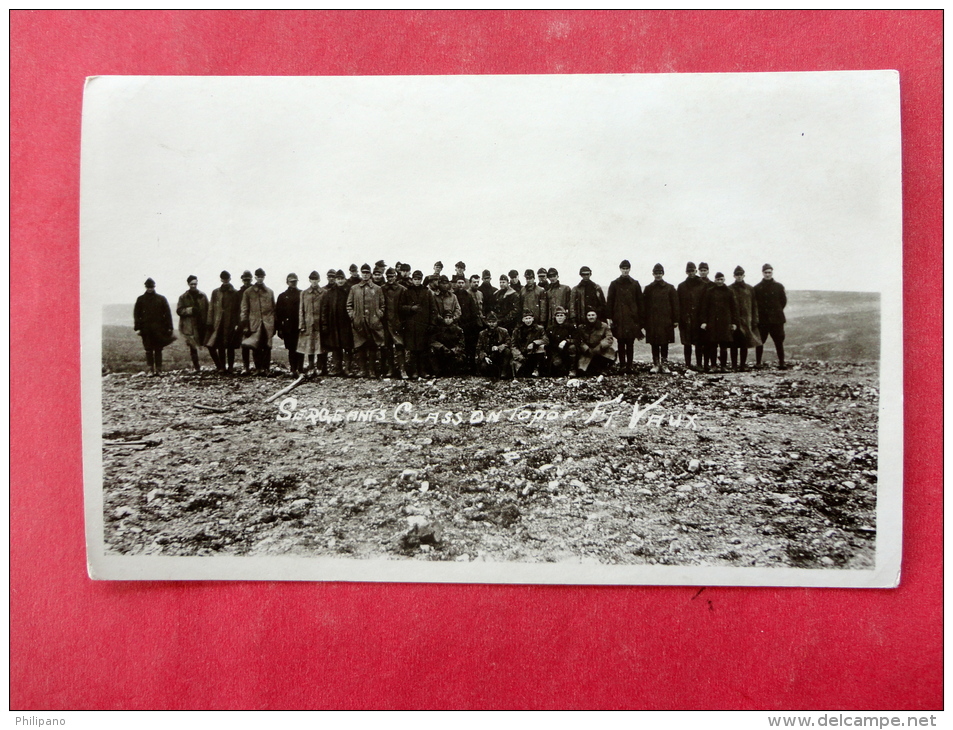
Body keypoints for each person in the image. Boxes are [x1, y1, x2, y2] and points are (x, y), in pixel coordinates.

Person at [347, 263, 385, 378]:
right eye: (363, 272)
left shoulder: (377, 289)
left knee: (372, 345)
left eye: (367, 273)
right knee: (360, 346)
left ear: (370, 274)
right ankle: (363, 370)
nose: (365, 275)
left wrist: (379, 314)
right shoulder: (354, 288)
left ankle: (372, 371)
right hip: (359, 322)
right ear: (361, 273)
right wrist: (352, 315)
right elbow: (349, 304)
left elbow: (383, 305)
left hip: (373, 322)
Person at [606, 259, 644, 374]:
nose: (625, 271)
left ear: (629, 269)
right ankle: (622, 365)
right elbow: (610, 301)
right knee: (621, 342)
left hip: (632, 318)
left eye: (627, 268)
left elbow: (640, 302)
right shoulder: (614, 284)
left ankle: (630, 365)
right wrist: (610, 317)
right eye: (623, 268)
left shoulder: (635, 284)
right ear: (620, 269)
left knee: (630, 342)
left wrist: (640, 318)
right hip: (619, 318)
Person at [642, 263, 679, 374]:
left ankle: (664, 365)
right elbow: (644, 306)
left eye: (660, 273)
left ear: (663, 274)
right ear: (653, 274)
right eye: (656, 273)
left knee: (664, 343)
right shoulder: (648, 288)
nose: (658, 275)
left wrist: (675, 319)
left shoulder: (670, 288)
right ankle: (655, 364)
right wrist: (644, 321)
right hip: (652, 320)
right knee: (654, 343)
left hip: (665, 320)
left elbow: (675, 305)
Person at [400, 270, 437, 380]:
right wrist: (411, 308)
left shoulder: (427, 292)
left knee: (423, 349)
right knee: (413, 350)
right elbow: (401, 307)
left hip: (423, 325)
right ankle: (414, 371)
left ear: (421, 280)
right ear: (412, 279)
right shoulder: (407, 292)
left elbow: (433, 309)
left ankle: (423, 371)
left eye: (419, 279)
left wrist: (432, 323)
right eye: (415, 279)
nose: (417, 281)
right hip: (411, 325)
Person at [700, 272, 739, 372]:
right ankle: (713, 366)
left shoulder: (729, 292)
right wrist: (704, 322)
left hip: (725, 322)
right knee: (712, 345)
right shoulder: (709, 292)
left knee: (724, 345)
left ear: (724, 280)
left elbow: (734, 308)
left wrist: (734, 323)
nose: (719, 282)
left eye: (721, 279)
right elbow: (704, 308)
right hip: (712, 322)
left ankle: (723, 366)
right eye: (717, 279)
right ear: (715, 280)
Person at [133, 278, 174, 376]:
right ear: (145, 287)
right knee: (148, 349)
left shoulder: (161, 299)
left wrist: (169, 327)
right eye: (148, 287)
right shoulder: (140, 299)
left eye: (151, 287)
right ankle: (150, 369)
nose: (150, 289)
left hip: (159, 329)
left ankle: (159, 370)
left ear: (154, 287)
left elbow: (168, 314)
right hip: (146, 329)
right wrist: (137, 328)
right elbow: (136, 314)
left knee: (158, 349)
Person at [240, 268, 276, 375]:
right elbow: (244, 310)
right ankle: (258, 368)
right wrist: (245, 325)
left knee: (267, 347)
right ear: (255, 277)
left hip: (267, 323)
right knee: (256, 347)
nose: (260, 279)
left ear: (264, 277)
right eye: (258, 277)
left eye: (262, 277)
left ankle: (267, 369)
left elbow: (273, 309)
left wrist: (273, 325)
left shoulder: (269, 292)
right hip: (254, 324)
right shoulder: (248, 292)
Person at [205, 270, 242, 374]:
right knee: (220, 346)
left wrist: (237, 323)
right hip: (219, 323)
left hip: (230, 322)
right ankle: (222, 367)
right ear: (221, 279)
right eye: (223, 279)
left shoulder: (235, 293)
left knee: (230, 346)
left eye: (227, 279)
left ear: (230, 279)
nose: (225, 280)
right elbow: (211, 307)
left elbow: (238, 309)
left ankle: (230, 367)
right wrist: (210, 322)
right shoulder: (216, 292)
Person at [754, 263, 788, 369]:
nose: (767, 274)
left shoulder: (779, 286)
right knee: (760, 342)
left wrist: (776, 312)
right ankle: (758, 363)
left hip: (776, 320)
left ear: (772, 273)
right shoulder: (757, 288)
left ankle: (782, 363)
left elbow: (783, 301)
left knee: (779, 341)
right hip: (763, 320)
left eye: (769, 272)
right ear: (762, 273)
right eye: (765, 272)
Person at [322, 270, 354, 376]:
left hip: (347, 323)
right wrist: (325, 324)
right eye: (338, 279)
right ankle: (337, 368)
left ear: (345, 279)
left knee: (348, 346)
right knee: (336, 346)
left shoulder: (350, 290)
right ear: (335, 280)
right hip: (334, 324)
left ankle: (348, 369)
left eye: (342, 279)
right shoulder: (330, 292)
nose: (340, 281)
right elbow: (324, 309)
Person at [728, 266, 761, 371]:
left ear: (743, 275)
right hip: (734, 321)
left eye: (741, 274)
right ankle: (734, 365)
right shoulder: (729, 289)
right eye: (737, 275)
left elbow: (754, 305)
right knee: (733, 344)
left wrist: (755, 319)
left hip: (747, 321)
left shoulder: (749, 289)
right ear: (734, 276)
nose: (739, 277)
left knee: (744, 344)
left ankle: (742, 365)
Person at [176, 275, 209, 373]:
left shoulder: (202, 295)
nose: (193, 286)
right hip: (190, 325)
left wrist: (208, 322)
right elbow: (179, 310)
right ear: (188, 284)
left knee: (209, 344)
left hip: (202, 324)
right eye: (191, 284)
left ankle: (219, 366)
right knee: (193, 347)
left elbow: (208, 308)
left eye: (195, 284)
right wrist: (190, 310)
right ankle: (197, 367)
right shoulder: (183, 297)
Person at [677, 262, 707, 370]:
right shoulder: (681, 286)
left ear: (696, 271)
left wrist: (704, 320)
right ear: (686, 272)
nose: (691, 273)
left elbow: (705, 304)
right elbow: (678, 304)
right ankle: (688, 365)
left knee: (699, 343)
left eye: (692, 271)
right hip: (685, 319)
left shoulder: (703, 285)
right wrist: (680, 318)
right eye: (688, 271)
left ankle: (699, 364)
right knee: (687, 343)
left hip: (698, 319)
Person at [297, 271, 327, 377]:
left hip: (319, 324)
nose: (314, 281)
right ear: (309, 280)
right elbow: (301, 310)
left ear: (319, 280)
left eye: (316, 279)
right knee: (310, 347)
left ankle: (319, 367)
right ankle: (310, 367)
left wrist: (324, 324)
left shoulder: (324, 292)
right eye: (312, 279)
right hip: (308, 324)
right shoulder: (304, 293)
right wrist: (302, 324)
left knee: (320, 347)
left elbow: (325, 309)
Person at [380, 267, 407, 378]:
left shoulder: (402, 289)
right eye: (388, 276)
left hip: (397, 322)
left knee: (399, 346)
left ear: (396, 277)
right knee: (387, 346)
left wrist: (403, 321)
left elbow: (405, 307)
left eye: (392, 276)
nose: (390, 279)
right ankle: (390, 369)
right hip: (385, 322)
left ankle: (403, 370)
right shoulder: (381, 289)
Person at [275, 273, 303, 376]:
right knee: (291, 349)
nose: (293, 283)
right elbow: (278, 314)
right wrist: (279, 329)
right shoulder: (282, 296)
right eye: (291, 282)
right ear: (287, 282)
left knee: (300, 348)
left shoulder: (302, 294)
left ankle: (300, 369)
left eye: (295, 281)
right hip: (288, 327)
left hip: (299, 325)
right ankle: (293, 369)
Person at [576, 309, 616, 376]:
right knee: (583, 371)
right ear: (586, 316)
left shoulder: (603, 326)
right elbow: (579, 340)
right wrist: (586, 348)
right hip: (588, 352)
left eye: (593, 315)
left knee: (610, 355)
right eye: (589, 315)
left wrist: (600, 346)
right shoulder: (581, 327)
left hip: (601, 351)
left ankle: (604, 369)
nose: (591, 317)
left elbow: (609, 338)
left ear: (596, 316)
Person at [456, 275, 483, 373]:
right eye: (459, 283)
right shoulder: (454, 295)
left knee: (471, 346)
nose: (460, 285)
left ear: (465, 283)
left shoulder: (469, 296)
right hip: (458, 323)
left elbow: (474, 311)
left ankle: (471, 367)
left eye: (462, 283)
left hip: (469, 325)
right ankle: (460, 367)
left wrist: (470, 323)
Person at [510, 310, 549, 377]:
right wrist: (518, 355)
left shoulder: (539, 329)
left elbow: (546, 340)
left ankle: (536, 369)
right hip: (521, 355)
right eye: (526, 318)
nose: (528, 321)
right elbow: (513, 345)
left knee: (541, 347)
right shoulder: (517, 330)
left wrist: (534, 343)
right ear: (523, 320)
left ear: (533, 319)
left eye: (530, 318)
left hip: (533, 354)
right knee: (519, 373)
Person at [475, 311, 513, 379]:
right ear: (487, 322)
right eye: (490, 322)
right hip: (489, 357)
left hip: (500, 356)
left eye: (494, 322)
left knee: (507, 351)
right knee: (484, 367)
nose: (492, 324)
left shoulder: (503, 331)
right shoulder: (482, 334)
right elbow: (479, 348)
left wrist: (499, 347)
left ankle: (503, 372)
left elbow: (509, 343)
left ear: (497, 322)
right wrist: (485, 357)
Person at [545, 306, 577, 377]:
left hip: (567, 350)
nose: (559, 318)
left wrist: (566, 341)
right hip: (555, 352)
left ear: (565, 317)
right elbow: (547, 342)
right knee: (557, 365)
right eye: (558, 316)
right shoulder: (550, 328)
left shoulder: (570, 327)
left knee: (572, 347)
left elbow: (576, 339)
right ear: (555, 317)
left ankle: (572, 369)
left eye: (561, 315)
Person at [696, 262, 716, 370]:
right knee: (699, 343)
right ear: (698, 271)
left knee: (710, 342)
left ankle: (709, 364)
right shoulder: (695, 284)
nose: (703, 272)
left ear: (708, 271)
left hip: (711, 317)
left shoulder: (712, 284)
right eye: (701, 270)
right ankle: (699, 364)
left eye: (705, 270)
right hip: (697, 317)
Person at [237, 270, 255, 374]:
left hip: (254, 321)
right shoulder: (239, 293)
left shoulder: (254, 291)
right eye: (245, 280)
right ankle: (246, 367)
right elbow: (237, 309)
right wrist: (241, 323)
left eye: (248, 280)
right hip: (244, 322)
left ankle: (258, 367)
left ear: (251, 280)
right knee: (244, 345)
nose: (246, 282)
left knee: (255, 345)